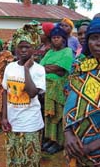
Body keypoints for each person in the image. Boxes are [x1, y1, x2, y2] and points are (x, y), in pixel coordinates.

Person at [2, 29, 46, 167]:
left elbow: (32, 93)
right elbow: (5, 91)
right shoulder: (10, 67)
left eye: (27, 47)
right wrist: (4, 117)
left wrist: (26, 70)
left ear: (33, 49)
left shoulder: (39, 69)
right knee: (13, 158)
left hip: (31, 123)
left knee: (30, 160)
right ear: (16, 48)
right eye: (20, 47)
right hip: (13, 121)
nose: (23, 50)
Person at [63, 16, 100, 167]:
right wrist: (67, 133)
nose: (98, 43)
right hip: (75, 144)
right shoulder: (78, 67)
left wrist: (89, 147)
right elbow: (67, 100)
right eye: (94, 37)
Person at [40, 26, 74, 154]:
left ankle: (59, 142)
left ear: (64, 39)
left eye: (58, 38)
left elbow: (61, 70)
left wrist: (47, 68)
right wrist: (51, 68)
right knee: (49, 115)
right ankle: (51, 139)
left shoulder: (67, 51)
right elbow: (41, 66)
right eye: (53, 38)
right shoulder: (49, 53)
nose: (55, 40)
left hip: (59, 89)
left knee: (59, 115)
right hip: (46, 88)